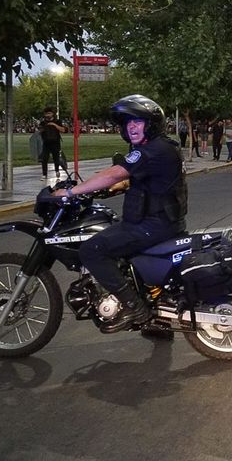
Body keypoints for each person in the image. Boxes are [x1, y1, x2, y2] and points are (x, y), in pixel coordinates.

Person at [53, 95, 187, 334]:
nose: (131, 127)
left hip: (152, 225)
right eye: (127, 122)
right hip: (162, 222)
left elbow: (115, 173)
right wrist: (121, 187)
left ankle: (134, 307)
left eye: (137, 121)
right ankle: (157, 322)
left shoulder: (153, 149)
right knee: (123, 253)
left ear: (152, 124)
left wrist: (71, 191)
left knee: (91, 250)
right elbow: (148, 182)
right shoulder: (160, 147)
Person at [39, 107, 67, 180]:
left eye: (49, 113)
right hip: (46, 143)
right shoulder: (43, 122)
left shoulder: (57, 121)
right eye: (46, 113)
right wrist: (43, 128)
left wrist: (54, 125)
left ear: (52, 114)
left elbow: (63, 130)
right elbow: (39, 131)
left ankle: (57, 171)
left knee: (56, 158)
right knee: (44, 159)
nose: (48, 115)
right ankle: (44, 174)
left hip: (55, 142)